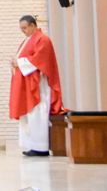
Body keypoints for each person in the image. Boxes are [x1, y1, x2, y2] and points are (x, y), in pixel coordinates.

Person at [9, 14, 66, 157]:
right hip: (27, 84)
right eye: (21, 29)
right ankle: (31, 144)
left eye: (25, 28)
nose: (23, 31)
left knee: (38, 113)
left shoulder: (43, 39)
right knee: (29, 115)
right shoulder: (27, 41)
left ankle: (41, 147)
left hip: (39, 85)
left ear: (33, 25)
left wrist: (20, 63)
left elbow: (40, 59)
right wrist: (16, 62)